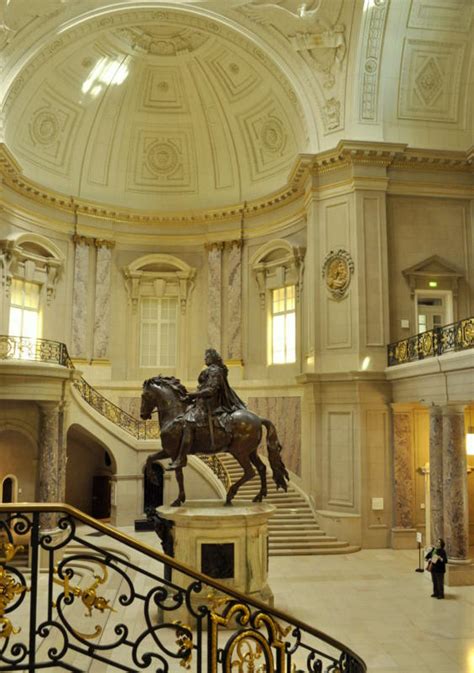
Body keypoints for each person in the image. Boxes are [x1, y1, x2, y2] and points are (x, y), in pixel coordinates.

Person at [167, 348, 246, 469]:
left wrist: (193, 395)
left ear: (213, 358)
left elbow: (211, 390)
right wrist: (191, 397)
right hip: (203, 401)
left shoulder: (214, 371)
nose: (205, 358)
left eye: (207, 356)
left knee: (188, 423)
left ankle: (181, 459)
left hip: (210, 405)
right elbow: (203, 389)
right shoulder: (212, 370)